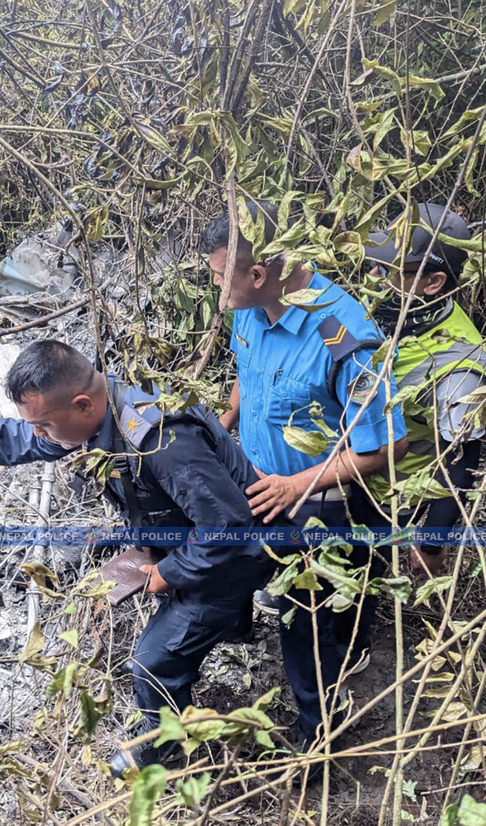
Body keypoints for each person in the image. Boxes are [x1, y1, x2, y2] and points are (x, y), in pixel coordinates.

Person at [0, 339, 276, 777]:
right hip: (195, 538)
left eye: (45, 423)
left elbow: (228, 531)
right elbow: (37, 440)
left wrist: (168, 573)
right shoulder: (102, 411)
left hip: (235, 554)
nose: (40, 433)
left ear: (82, 404)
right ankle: (234, 622)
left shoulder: (161, 440)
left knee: (151, 664)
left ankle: (166, 741)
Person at [201, 201, 409, 750]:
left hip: (331, 501)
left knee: (308, 625)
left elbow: (388, 443)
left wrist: (298, 486)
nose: (217, 292)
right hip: (266, 485)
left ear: (257, 273)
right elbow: (247, 370)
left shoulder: (345, 335)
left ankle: (319, 737)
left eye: (221, 279)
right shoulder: (249, 310)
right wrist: (224, 424)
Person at [359, 202, 486, 574]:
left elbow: (461, 460)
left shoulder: (461, 364)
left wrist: (432, 542)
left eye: (389, 269)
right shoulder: (391, 303)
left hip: (385, 493)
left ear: (433, 282)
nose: (374, 275)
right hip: (337, 462)